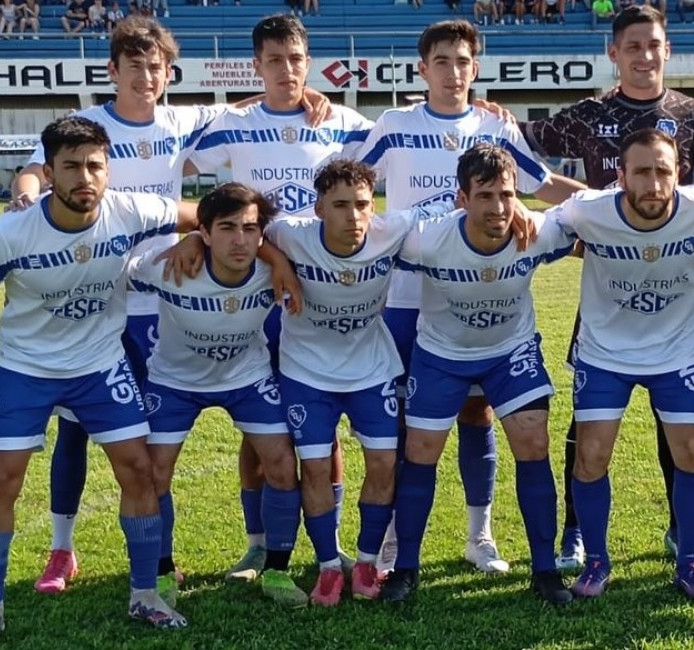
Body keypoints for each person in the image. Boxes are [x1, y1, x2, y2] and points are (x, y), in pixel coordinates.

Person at [10, 15, 304, 598]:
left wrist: (306, 93)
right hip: (95, 296)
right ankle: (61, 550)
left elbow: (263, 106)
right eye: (134, 66)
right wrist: (24, 196)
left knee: (170, 435)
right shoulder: (89, 124)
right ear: (112, 70)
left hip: (165, 301)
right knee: (75, 427)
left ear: (170, 72)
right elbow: (35, 169)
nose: (147, 76)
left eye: (157, 66)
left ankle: (255, 546)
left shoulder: (185, 121)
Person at [0, 116, 205, 649]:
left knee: (139, 470)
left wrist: (198, 235)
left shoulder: (131, 210)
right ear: (49, 172)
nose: (85, 177)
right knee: (2, 483)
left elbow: (211, 213)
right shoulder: (11, 232)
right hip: (26, 368)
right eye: (71, 166)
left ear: (108, 171)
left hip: (99, 364)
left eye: (95, 166)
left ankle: (144, 595)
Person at [516, 4, 694, 571]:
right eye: (633, 47)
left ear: (666, 51)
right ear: (614, 54)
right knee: (589, 421)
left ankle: (680, 530)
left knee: (675, 423)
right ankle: (577, 531)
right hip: (607, 284)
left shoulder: (692, 114)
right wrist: (580, 212)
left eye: (654, 45)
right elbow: (519, 147)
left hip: (670, 282)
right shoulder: (588, 112)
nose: (644, 56)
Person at [355, 18, 586, 576]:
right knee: (408, 429)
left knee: (479, 415)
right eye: (441, 61)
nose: (453, 72)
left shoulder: (496, 127)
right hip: (407, 299)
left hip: (478, 292)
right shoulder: (394, 123)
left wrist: (611, 206)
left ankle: (478, 536)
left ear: (475, 68)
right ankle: (390, 541)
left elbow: (543, 183)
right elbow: (355, 185)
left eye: (462, 62)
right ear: (422, 69)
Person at [189, 13, 370, 581]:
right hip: (256, 291)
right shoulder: (234, 123)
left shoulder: (341, 121)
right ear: (256, 65)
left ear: (308, 61)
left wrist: (488, 112)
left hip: (322, 293)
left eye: (295, 60)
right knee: (259, 424)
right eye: (274, 61)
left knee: (323, 423)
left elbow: (408, 141)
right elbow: (175, 160)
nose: (287, 70)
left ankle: (330, 541)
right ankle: (257, 542)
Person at [381, 144, 576, 606]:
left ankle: (545, 570)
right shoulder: (426, 237)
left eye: (507, 195)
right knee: (421, 451)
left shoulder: (540, 232)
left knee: (533, 445)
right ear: (462, 199)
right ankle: (406, 567)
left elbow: (599, 225)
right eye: (485, 196)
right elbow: (355, 239)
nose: (499, 207)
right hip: (440, 354)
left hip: (510, 352)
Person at [553, 128, 694, 602]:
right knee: (590, 456)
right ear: (622, 176)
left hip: (676, 354)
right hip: (605, 355)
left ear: (679, 174)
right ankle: (595, 560)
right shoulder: (588, 210)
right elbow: (537, 226)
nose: (653, 184)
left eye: (663, 172)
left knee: (692, 455)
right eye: (642, 172)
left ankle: (690, 558)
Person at [265, 161, 449, 606]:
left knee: (384, 465)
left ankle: (366, 561)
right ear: (319, 209)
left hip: (371, 370)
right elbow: (244, 229)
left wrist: (518, 210)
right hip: (306, 372)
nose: (353, 216)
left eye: (362, 204)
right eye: (341, 205)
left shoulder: (392, 230)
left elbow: (453, 208)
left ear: (374, 206)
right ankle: (329, 567)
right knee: (314, 469)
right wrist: (274, 261)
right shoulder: (291, 233)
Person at [128, 183, 308, 609]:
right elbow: (113, 270)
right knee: (154, 474)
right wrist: (187, 238)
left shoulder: (272, 269)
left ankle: (277, 570)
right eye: (226, 228)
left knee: (282, 464)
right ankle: (161, 570)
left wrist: (277, 256)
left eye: (249, 229)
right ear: (204, 233)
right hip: (174, 382)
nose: (240, 240)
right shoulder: (167, 266)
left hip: (247, 377)